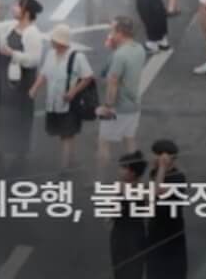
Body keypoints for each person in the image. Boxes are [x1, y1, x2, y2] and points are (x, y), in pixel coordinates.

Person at [0, 0, 45, 165]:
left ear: (26, 12)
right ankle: (0, 148)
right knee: (2, 114)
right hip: (5, 78)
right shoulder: (11, 26)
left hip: (22, 82)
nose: (13, 8)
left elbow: (34, 59)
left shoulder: (32, 33)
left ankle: (20, 152)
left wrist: (13, 54)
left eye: (17, 6)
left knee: (20, 116)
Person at [29, 23, 94, 170]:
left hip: (69, 104)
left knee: (66, 134)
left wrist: (73, 92)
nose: (51, 42)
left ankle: (64, 167)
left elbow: (88, 77)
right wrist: (34, 88)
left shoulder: (77, 57)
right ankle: (71, 160)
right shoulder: (51, 54)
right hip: (53, 102)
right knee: (65, 134)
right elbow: (44, 74)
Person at [96, 17, 147, 171]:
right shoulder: (139, 49)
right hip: (134, 105)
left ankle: (99, 178)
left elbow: (113, 82)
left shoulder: (119, 56)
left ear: (120, 33)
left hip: (117, 107)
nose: (110, 34)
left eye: (112, 31)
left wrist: (107, 106)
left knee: (103, 141)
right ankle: (134, 176)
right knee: (129, 139)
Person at [147, 138, 189, 279]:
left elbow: (157, 191)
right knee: (154, 267)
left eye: (155, 155)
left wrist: (163, 168)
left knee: (172, 269)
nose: (152, 158)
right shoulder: (155, 173)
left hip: (171, 229)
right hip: (155, 226)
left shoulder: (178, 178)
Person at [108, 150, 149, 279]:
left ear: (131, 172)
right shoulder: (140, 187)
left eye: (122, 168)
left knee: (127, 269)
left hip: (128, 236)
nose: (119, 171)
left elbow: (112, 211)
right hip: (129, 233)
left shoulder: (133, 189)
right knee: (127, 269)